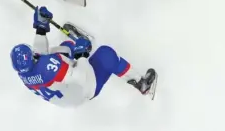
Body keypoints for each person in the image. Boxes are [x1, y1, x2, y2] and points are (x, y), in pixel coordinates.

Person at [10, 6, 157, 107]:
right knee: (107, 55)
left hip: (65, 89)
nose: (34, 53)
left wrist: (41, 29)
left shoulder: (25, 72)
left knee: (65, 47)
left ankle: (78, 46)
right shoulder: (50, 69)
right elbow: (81, 76)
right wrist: (82, 55)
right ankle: (141, 84)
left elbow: (40, 55)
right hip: (84, 89)